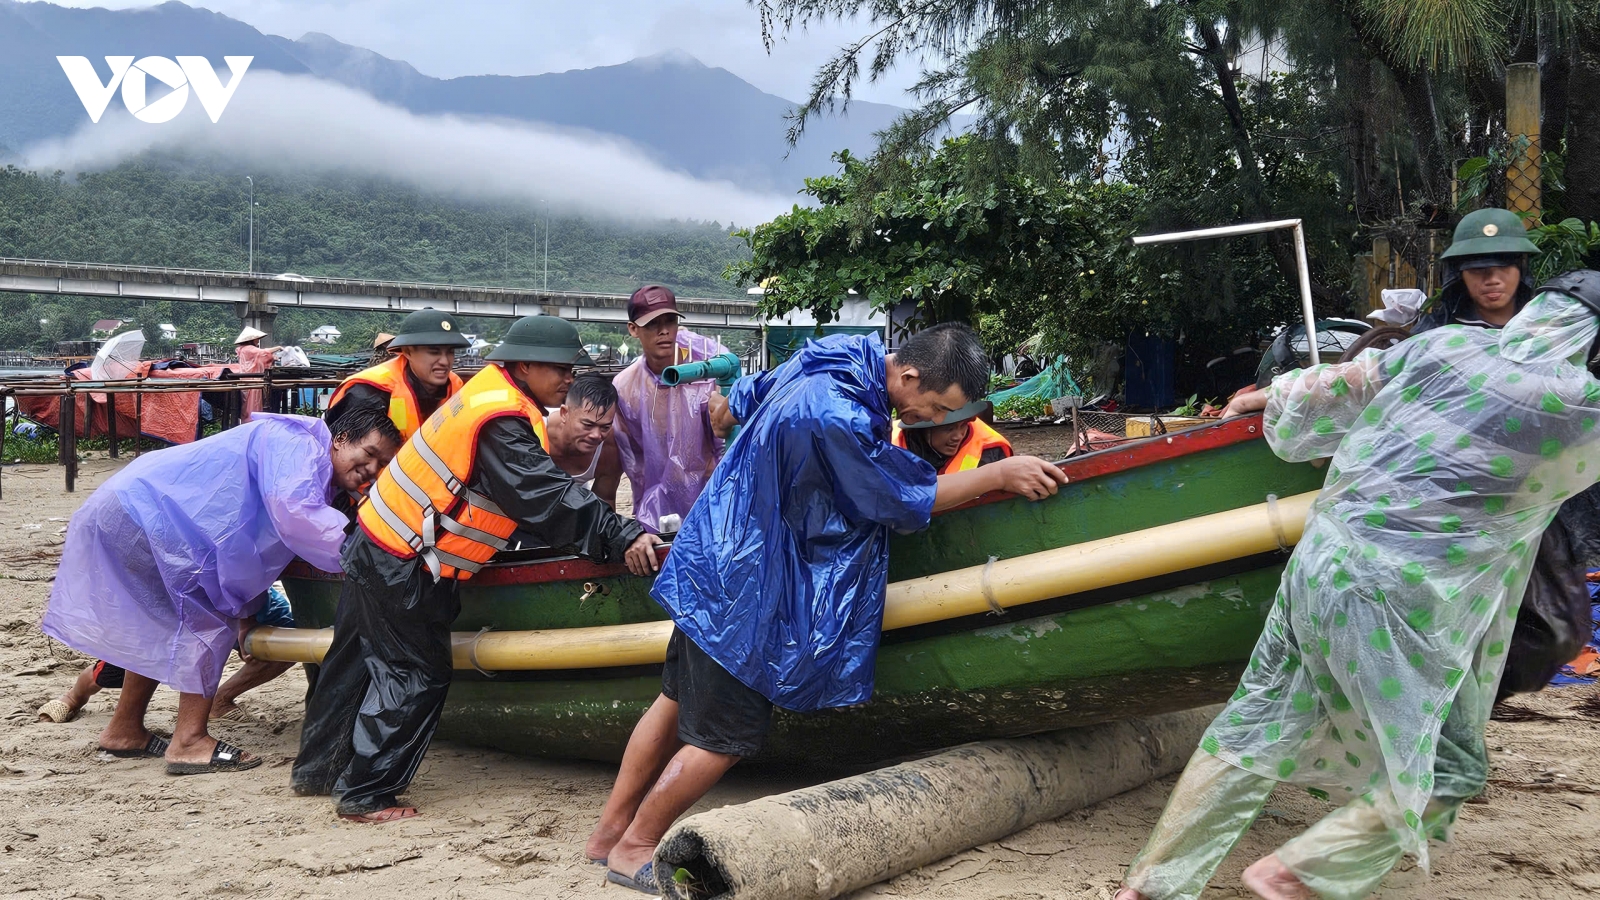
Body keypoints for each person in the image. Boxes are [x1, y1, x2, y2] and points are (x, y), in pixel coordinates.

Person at [1115, 274, 1600, 900]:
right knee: (1451, 766)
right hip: (1401, 600)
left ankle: (1150, 888)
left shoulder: (1445, 346)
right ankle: (1296, 873)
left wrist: (1261, 396)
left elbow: (1339, 383)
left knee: (1252, 724)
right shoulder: (1579, 407)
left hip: (1320, 564)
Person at [586, 322, 1068, 893]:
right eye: (935, 407)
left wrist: (726, 408)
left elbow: (749, 393)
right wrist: (997, 474)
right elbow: (894, 496)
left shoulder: (837, 355)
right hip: (748, 585)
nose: (933, 421)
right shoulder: (838, 413)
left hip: (714, 560)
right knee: (724, 736)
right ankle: (635, 847)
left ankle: (607, 834)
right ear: (908, 376)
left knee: (672, 702)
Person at [292, 314, 664, 823]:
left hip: (375, 539)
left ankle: (315, 771)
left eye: (570, 370)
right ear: (525, 365)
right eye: (559, 369)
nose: (567, 379)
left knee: (351, 661)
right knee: (416, 672)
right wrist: (621, 534)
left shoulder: (488, 394)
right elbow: (545, 498)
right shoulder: (504, 419)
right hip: (403, 561)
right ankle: (366, 795)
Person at [40, 408, 402, 775]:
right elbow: (294, 514)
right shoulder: (301, 445)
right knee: (208, 614)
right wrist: (366, 551)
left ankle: (124, 730)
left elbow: (251, 548)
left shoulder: (303, 461)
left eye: (383, 464)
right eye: (369, 454)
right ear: (340, 439)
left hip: (132, 506)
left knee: (160, 622)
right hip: (150, 514)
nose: (372, 469)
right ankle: (189, 741)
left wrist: (248, 615)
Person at [36, 584, 297, 725]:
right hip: (177, 608)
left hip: (240, 600)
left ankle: (222, 699)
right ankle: (73, 697)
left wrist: (246, 620)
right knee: (113, 671)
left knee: (291, 639)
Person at [611, 285, 729, 532]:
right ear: (633, 329)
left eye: (670, 321)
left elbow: (725, 444)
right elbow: (633, 459)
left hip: (713, 500)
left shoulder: (709, 370)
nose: (664, 331)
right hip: (660, 507)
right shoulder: (625, 386)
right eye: (653, 323)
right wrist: (645, 507)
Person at [325, 309, 468, 438]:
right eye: (434, 352)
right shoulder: (369, 392)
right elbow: (343, 453)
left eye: (450, 352)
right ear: (408, 352)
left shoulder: (456, 387)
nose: (444, 361)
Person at [1414, 208, 1540, 332]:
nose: (1492, 280)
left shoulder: (1548, 326)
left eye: (1503, 267)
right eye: (1478, 269)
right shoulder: (1434, 332)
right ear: (1459, 274)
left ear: (1521, 269)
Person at [545, 372, 625, 508]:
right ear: (565, 413)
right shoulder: (535, 431)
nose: (596, 435)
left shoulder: (610, 448)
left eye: (605, 427)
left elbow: (605, 502)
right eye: (588, 425)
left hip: (574, 501)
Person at [892, 399, 1012, 473]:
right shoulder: (887, 444)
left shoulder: (989, 451)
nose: (958, 436)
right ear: (923, 429)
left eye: (963, 425)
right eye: (949, 429)